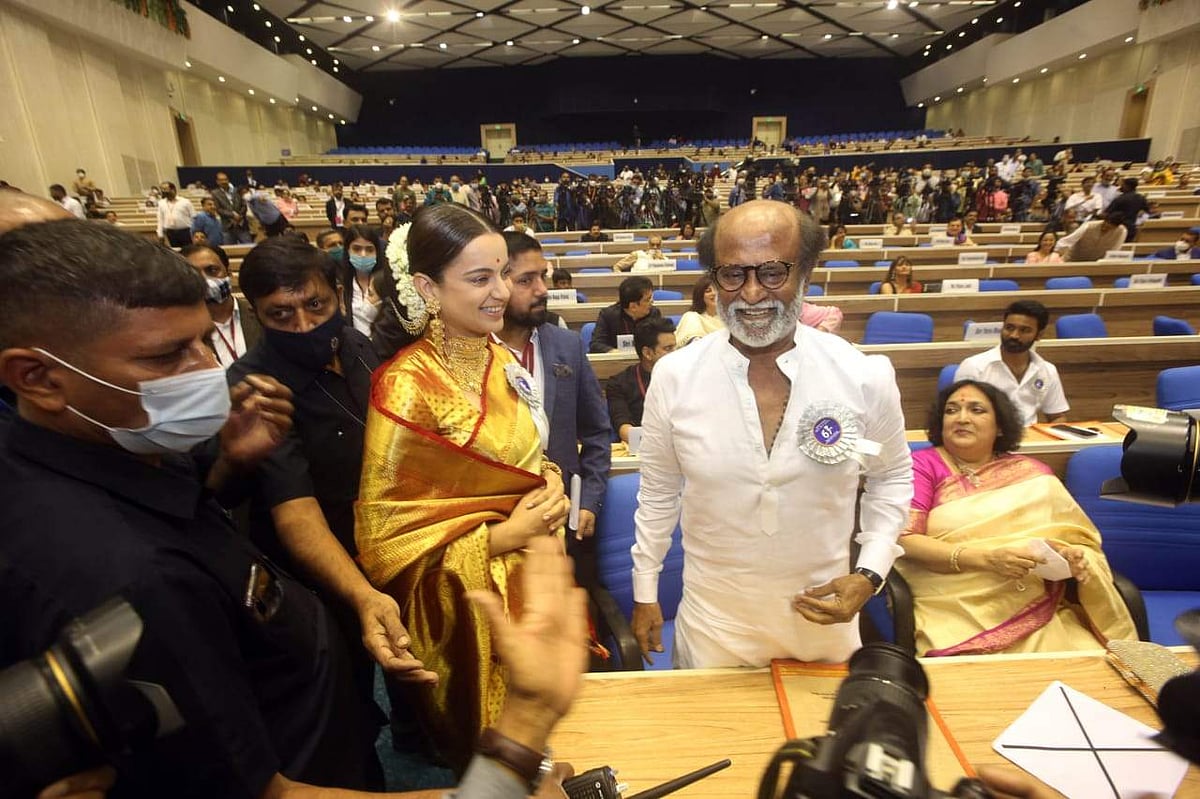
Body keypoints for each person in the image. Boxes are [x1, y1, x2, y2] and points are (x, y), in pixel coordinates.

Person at [0, 219, 398, 795]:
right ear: (38, 378)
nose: (209, 371)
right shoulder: (133, 579)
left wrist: (228, 464)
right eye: (167, 357)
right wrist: (504, 771)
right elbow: (264, 791)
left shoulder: (127, 445)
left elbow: (190, 515)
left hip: (311, 713)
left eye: (204, 342)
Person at [630, 200, 913, 668]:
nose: (752, 293)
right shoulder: (675, 376)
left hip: (823, 623)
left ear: (805, 273)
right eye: (732, 274)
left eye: (773, 272)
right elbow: (658, 492)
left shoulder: (863, 375)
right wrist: (645, 590)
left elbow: (892, 477)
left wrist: (870, 571)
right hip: (714, 627)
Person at [356, 204, 570, 771]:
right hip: (471, 607)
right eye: (480, 279)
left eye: (502, 273)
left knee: (552, 740)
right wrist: (505, 537)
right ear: (428, 287)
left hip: (535, 580)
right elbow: (388, 538)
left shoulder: (501, 359)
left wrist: (550, 480)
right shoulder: (407, 385)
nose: (501, 291)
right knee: (502, 760)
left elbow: (525, 455)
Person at [894, 380, 1137, 656]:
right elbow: (905, 539)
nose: (962, 418)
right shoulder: (921, 466)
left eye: (976, 410)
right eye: (951, 410)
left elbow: (1065, 539)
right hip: (949, 599)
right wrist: (987, 559)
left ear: (999, 426)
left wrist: (1068, 557)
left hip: (1030, 598)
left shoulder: (1032, 474)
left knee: (1083, 659)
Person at [497, 232, 611, 582]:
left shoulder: (567, 345)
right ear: (496, 284)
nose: (542, 290)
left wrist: (589, 499)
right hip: (500, 527)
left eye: (542, 277)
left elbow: (597, 432)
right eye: (526, 280)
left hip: (567, 522)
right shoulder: (474, 353)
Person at [954, 299, 1069, 427]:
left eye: (1024, 330)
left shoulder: (1047, 370)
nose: (1014, 335)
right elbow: (959, 415)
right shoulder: (974, 366)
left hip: (1031, 436)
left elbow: (1057, 416)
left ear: (1039, 335)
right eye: (1009, 328)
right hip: (987, 436)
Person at [181, 243, 261, 368]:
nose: (205, 280)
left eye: (212, 270)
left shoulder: (259, 313)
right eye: (194, 274)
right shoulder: (184, 330)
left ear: (229, 273)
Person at [606, 317, 676, 444]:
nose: (675, 354)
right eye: (668, 349)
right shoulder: (618, 384)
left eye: (675, 348)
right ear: (647, 353)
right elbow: (624, 429)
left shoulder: (686, 378)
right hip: (643, 448)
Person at [588, 275, 661, 353]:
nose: (652, 302)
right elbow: (596, 344)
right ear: (633, 307)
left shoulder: (654, 313)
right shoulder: (608, 315)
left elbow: (660, 342)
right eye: (647, 300)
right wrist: (614, 352)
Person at [339, 224, 384, 336]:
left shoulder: (386, 281)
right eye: (357, 249)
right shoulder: (342, 284)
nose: (363, 254)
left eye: (369, 249)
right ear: (348, 251)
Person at [1054, 211, 1127, 262]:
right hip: (1073, 259)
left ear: (1116, 227)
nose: (1105, 229)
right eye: (1104, 225)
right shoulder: (1089, 226)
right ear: (1104, 220)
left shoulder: (1122, 231)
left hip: (1096, 263)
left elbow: (1115, 249)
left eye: (1109, 228)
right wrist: (1055, 253)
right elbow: (1068, 241)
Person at [674, 273, 724, 345]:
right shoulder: (692, 317)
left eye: (717, 290)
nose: (714, 293)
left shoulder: (728, 319)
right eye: (708, 291)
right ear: (700, 296)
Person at [1105, 177, 1151, 241]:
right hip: (1132, 228)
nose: (1121, 187)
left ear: (1127, 186)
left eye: (1123, 185)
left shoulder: (1120, 199)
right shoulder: (1141, 198)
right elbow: (1147, 211)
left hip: (1118, 228)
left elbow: (1107, 213)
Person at [211, 171, 251, 244]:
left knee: (249, 246)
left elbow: (244, 205)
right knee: (229, 248)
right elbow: (219, 209)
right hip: (227, 226)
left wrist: (239, 216)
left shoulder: (237, 190)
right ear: (217, 182)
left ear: (228, 180)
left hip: (241, 224)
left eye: (225, 179)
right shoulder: (215, 193)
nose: (224, 181)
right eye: (221, 180)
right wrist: (233, 215)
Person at [154, 181, 195, 248]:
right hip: (170, 232)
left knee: (189, 250)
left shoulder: (185, 202)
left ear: (173, 189)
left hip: (185, 231)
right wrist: (160, 234)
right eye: (162, 189)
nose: (163, 191)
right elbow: (160, 219)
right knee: (175, 251)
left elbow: (193, 217)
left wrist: (193, 232)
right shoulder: (161, 203)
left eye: (165, 189)